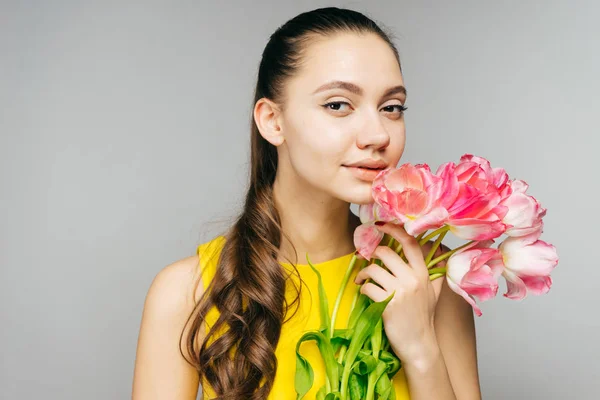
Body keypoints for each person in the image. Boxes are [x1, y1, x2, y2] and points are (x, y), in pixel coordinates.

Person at [132, 7, 481, 400]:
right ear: (272, 122)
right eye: (338, 105)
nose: (378, 134)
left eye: (391, 108)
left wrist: (421, 352)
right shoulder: (187, 293)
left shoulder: (430, 277)